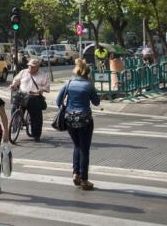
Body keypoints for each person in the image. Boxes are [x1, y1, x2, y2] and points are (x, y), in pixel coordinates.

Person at [55, 58, 100, 191]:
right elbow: (96, 102)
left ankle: (76, 173)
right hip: (85, 119)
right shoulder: (88, 85)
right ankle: (84, 180)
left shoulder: (68, 83)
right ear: (87, 73)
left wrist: (69, 106)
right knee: (84, 150)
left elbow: (58, 101)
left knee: (77, 146)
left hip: (70, 119)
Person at [10, 58, 49, 142]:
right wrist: (13, 85)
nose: (30, 68)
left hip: (34, 97)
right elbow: (16, 80)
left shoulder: (43, 75)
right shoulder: (23, 72)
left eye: (33, 67)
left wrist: (40, 90)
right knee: (14, 109)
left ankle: (36, 134)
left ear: (37, 67)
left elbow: (47, 87)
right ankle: (15, 126)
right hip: (22, 94)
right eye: (29, 66)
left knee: (36, 116)